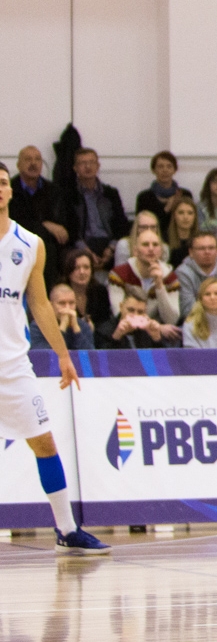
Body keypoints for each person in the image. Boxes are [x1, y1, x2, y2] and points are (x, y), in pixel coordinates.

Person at [0, 164, 108, 554]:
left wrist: (63, 355)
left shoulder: (29, 243)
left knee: (44, 442)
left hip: (12, 364)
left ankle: (66, 528)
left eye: (2, 184)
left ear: (10, 192)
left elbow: (40, 303)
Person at [59, 148, 129, 270]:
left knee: (126, 248)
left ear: (98, 166)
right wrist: (86, 251)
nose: (88, 166)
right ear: (75, 168)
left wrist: (111, 248)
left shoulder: (110, 193)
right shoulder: (68, 195)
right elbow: (71, 229)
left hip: (108, 242)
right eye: (82, 163)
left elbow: (121, 224)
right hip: (83, 243)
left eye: (91, 162)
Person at [107, 226, 182, 334]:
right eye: (145, 245)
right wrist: (158, 327)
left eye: (155, 245)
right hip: (125, 329)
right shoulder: (119, 274)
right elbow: (119, 314)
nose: (151, 248)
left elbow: (171, 320)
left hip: (155, 333)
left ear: (160, 251)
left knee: (174, 334)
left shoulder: (170, 277)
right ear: (135, 251)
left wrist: (159, 285)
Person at [10, 147, 65, 282]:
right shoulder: (9, 189)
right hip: (17, 243)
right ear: (18, 165)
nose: (33, 163)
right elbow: (12, 222)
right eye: (28, 159)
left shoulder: (54, 190)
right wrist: (44, 225)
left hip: (50, 245)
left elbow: (62, 224)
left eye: (37, 159)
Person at [176, 231, 217, 315]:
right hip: (195, 323)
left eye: (211, 248)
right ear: (191, 252)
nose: (207, 252)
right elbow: (187, 309)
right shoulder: (183, 273)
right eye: (201, 248)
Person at [135, 151, 191, 236]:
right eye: (160, 166)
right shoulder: (144, 197)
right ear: (154, 170)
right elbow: (142, 225)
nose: (165, 170)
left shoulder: (184, 195)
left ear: (174, 170)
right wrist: (167, 209)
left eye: (169, 166)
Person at [62, 248, 111, 345]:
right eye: (77, 268)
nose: (82, 272)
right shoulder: (60, 293)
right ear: (69, 270)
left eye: (86, 267)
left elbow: (106, 323)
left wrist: (93, 329)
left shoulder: (100, 291)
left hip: (97, 341)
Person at [33, 283, 94, 352]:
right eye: (62, 303)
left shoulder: (83, 326)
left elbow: (90, 356)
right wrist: (63, 327)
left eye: (71, 303)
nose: (67, 308)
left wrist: (76, 329)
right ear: (51, 305)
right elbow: (42, 356)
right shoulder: (39, 326)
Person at [166, 197, 198, 269]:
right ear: (174, 216)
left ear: (195, 216)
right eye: (181, 213)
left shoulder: (201, 240)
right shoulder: (164, 240)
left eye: (190, 213)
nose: (185, 217)